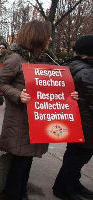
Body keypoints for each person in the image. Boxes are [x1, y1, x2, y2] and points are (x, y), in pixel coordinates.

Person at [0, 20, 78, 200]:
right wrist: (18, 95)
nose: (50, 38)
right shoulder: (16, 59)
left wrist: (68, 96)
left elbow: (54, 86)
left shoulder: (47, 60)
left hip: (39, 121)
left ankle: (22, 193)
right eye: (47, 34)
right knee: (20, 163)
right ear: (37, 36)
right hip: (20, 122)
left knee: (28, 161)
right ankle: (13, 195)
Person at [53, 35, 93, 200]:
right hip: (87, 124)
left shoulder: (73, 65)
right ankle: (64, 188)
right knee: (77, 158)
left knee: (73, 156)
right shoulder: (87, 71)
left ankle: (72, 185)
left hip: (78, 123)